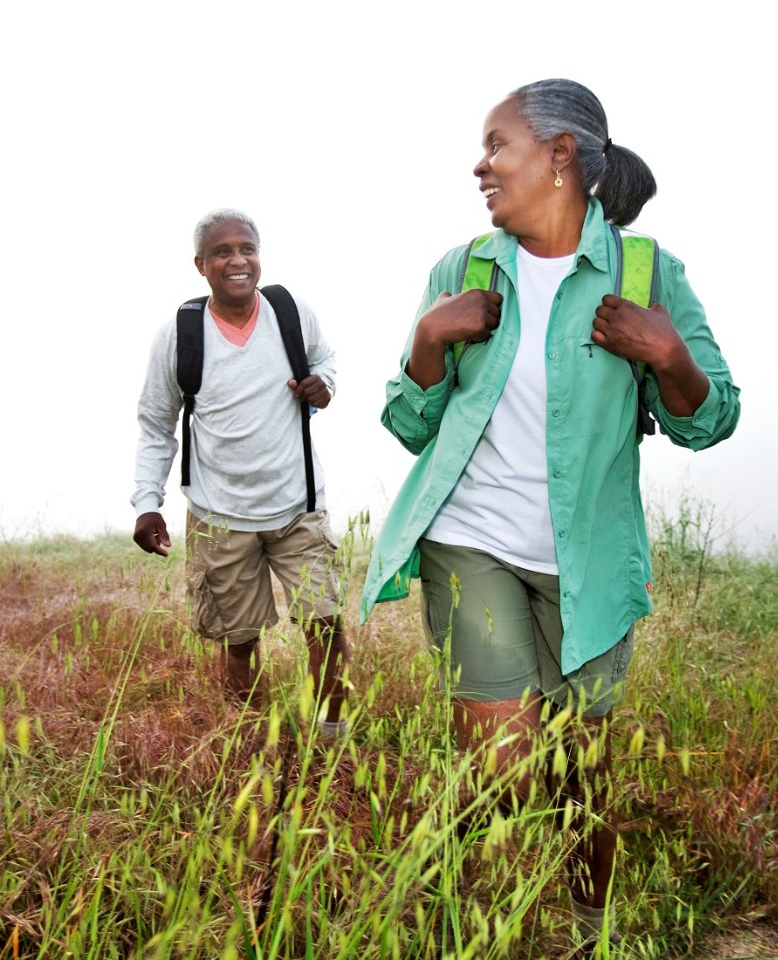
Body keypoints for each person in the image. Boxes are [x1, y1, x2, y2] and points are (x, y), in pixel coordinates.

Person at [359, 80, 740, 953]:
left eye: (498, 144)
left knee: (582, 777)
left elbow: (710, 418)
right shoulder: (462, 271)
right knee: (500, 763)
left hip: (590, 564)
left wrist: (668, 354)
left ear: (560, 157)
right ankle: (454, 917)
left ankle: (587, 929)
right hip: (473, 543)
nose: (480, 164)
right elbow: (410, 421)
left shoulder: (649, 275)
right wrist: (427, 339)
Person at [133, 208, 349, 737]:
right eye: (223, 252)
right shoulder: (180, 335)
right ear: (201, 264)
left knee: (325, 625)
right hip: (220, 516)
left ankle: (331, 737)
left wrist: (324, 386)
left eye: (247, 248)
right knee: (238, 639)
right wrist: (147, 504)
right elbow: (156, 422)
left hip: (298, 505)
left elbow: (325, 363)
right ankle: (250, 740)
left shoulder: (290, 312)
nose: (238, 260)